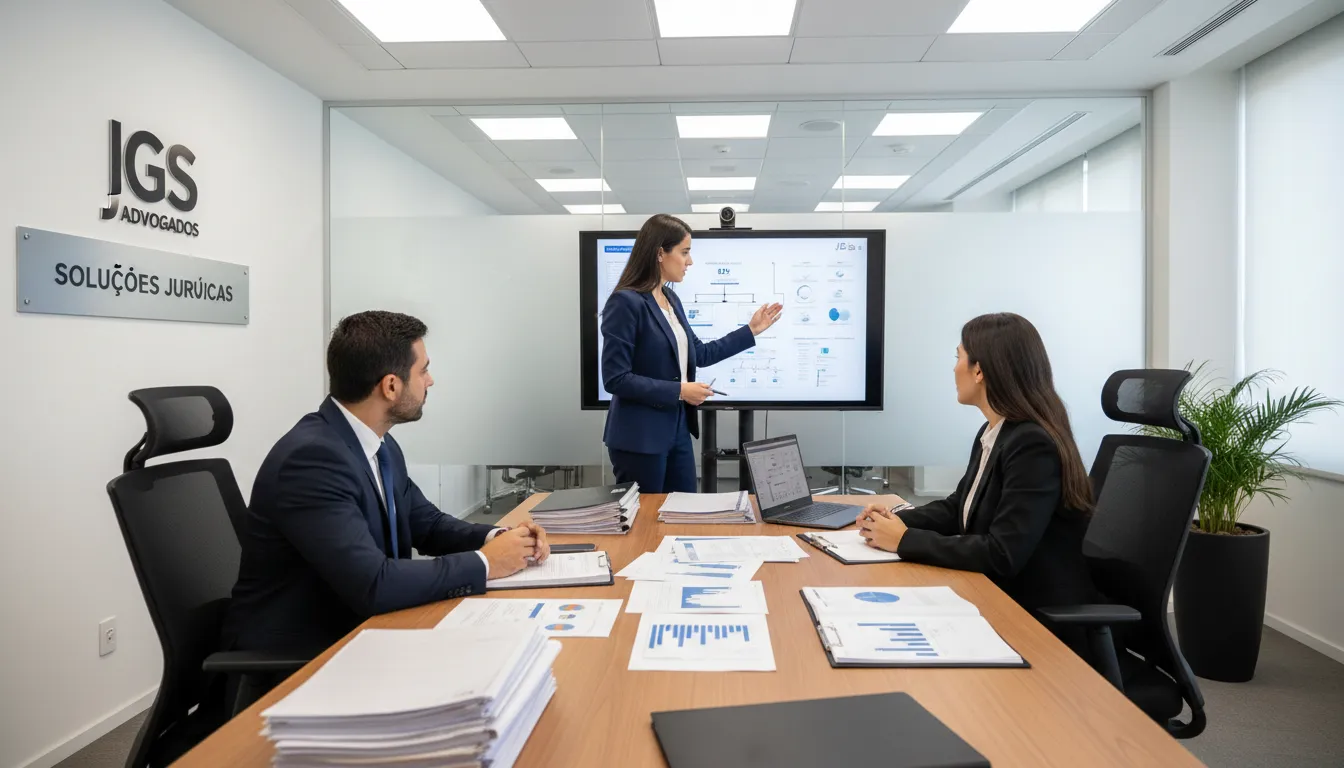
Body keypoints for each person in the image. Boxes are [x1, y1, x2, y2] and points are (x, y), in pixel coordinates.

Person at [222, 310, 549, 655]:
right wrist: (486, 563)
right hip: (306, 658)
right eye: (422, 370)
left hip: (367, 632)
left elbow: (427, 524)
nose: (430, 380)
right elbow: (374, 584)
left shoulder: (378, 444)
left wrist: (500, 539)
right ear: (391, 386)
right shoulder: (311, 461)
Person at [856, 312, 1095, 619]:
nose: (954, 368)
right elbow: (960, 508)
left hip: (1030, 615)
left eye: (959, 357)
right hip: (992, 593)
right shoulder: (995, 432)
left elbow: (1002, 554)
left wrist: (903, 540)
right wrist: (898, 521)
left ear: (979, 370)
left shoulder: (1033, 445)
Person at [601, 214, 783, 493]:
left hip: (677, 432)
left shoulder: (671, 299)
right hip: (640, 438)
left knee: (685, 513)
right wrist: (680, 391)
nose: (690, 261)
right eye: (684, 252)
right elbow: (616, 379)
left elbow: (700, 352)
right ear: (660, 253)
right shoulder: (625, 302)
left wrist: (751, 330)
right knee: (645, 525)